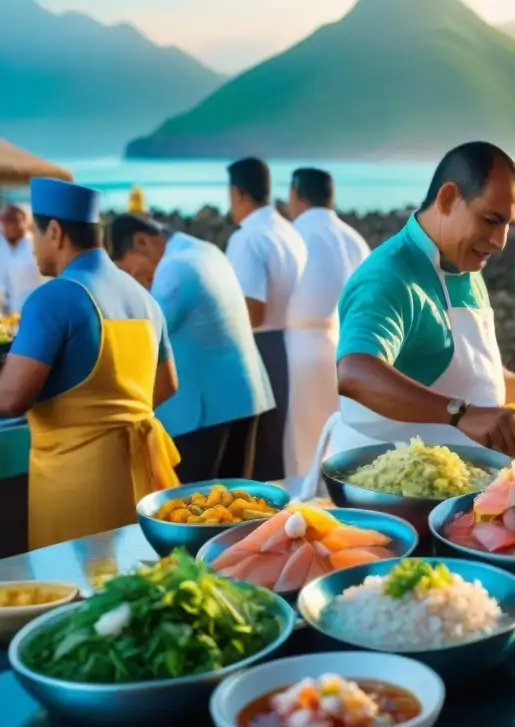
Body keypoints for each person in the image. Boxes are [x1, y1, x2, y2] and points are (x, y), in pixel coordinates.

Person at [299, 142, 515, 499]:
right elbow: (354, 371)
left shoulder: (466, 266)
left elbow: (451, 361)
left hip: (462, 490)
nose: (500, 241)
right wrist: (463, 414)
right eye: (491, 220)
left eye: (508, 224)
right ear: (446, 199)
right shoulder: (388, 275)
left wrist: (504, 396)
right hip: (388, 497)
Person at [0, 179, 180, 549]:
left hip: (75, 484)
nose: (33, 246)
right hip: (141, 478)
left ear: (55, 231)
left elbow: (11, 398)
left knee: (79, 592)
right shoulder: (143, 297)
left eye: (36, 232)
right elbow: (165, 385)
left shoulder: (53, 298)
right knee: (136, 586)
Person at [108, 213, 275, 482]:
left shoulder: (175, 268)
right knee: (235, 506)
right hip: (244, 398)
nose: (133, 279)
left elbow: (143, 335)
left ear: (142, 242)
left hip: (204, 412)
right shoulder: (205, 250)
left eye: (128, 270)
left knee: (198, 510)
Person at [224, 158, 308, 480]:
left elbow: (253, 312)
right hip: (290, 343)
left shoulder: (247, 238)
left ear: (238, 193)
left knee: (259, 453)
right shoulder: (288, 230)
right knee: (281, 448)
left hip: (261, 346)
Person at [288, 168, 370, 477]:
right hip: (346, 346)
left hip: (300, 346)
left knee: (301, 440)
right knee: (340, 434)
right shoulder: (354, 238)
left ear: (297, 194)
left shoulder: (294, 233)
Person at [0, 203, 44, 314]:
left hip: (32, 312)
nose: (7, 226)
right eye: (4, 221)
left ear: (25, 221)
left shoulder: (37, 245)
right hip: (6, 315)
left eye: (12, 221)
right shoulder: (2, 246)